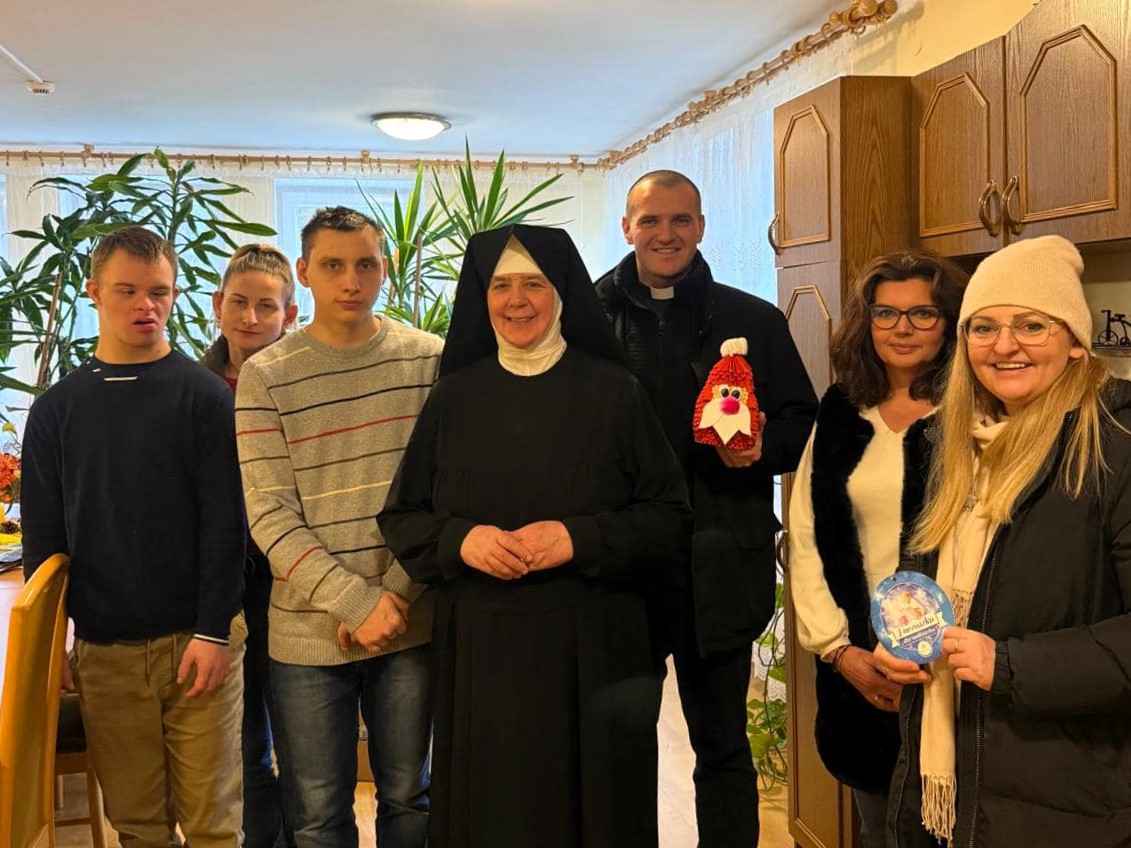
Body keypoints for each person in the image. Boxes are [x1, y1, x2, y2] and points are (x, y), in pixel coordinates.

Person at [378, 224, 692, 848]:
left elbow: (669, 516)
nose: (516, 301)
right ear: (482, 297)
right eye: (501, 286)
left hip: (596, 646)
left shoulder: (615, 392)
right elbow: (403, 516)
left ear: (562, 293)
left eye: (533, 285)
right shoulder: (454, 397)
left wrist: (579, 537)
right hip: (484, 650)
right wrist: (462, 540)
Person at [875, 235, 1131, 847]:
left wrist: (1010, 665)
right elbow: (918, 576)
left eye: (1032, 325)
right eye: (983, 327)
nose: (1004, 345)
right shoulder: (943, 443)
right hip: (943, 782)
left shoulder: (1116, 445)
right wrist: (897, 639)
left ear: (1075, 341)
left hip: (1068, 798)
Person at [594, 169, 818, 847]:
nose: (666, 234)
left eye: (680, 219)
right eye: (650, 220)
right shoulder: (586, 319)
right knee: (620, 748)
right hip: (622, 570)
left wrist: (762, 449)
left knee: (722, 744)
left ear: (700, 226)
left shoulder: (752, 318)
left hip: (720, 562)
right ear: (627, 228)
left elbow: (801, 420)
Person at [21, 226, 247, 847]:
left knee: (213, 825)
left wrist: (213, 630)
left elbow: (226, 523)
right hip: (105, 652)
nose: (146, 305)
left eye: (159, 292)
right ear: (94, 292)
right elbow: (45, 542)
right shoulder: (56, 411)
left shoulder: (206, 398)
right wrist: (52, 645)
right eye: (127, 291)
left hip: (200, 643)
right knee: (138, 826)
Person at [235, 207, 439, 848]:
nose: (351, 281)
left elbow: (444, 494)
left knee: (409, 796)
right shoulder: (266, 375)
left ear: (386, 267)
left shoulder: (427, 360)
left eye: (365, 264)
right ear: (303, 272)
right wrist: (355, 601)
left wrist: (391, 598)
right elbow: (270, 515)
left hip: (408, 621)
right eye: (332, 265)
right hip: (305, 633)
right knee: (317, 814)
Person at [787, 249, 967, 848]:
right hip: (862, 669)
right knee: (879, 825)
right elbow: (806, 533)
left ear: (950, 323)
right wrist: (839, 651)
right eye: (886, 313)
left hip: (956, 669)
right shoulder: (841, 409)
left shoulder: (976, 412)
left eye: (922, 314)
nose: (902, 329)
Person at [202, 243, 299, 848]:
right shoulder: (195, 387)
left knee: (302, 740)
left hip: (292, 580)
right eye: (239, 302)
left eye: (267, 306)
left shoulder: (304, 379)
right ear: (218, 306)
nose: (251, 317)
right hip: (224, 583)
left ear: (290, 315)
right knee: (244, 744)